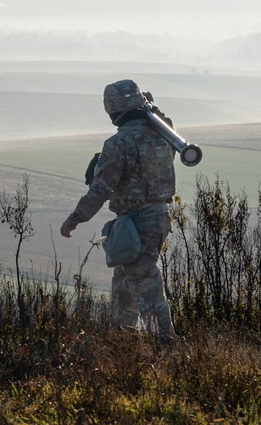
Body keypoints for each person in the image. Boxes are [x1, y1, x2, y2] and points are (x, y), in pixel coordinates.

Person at [60, 79, 176, 342]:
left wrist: (73, 220)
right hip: (156, 219)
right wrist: (154, 110)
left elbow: (100, 190)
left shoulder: (119, 143)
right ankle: (124, 342)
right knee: (124, 281)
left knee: (146, 286)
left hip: (137, 223)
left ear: (112, 110)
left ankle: (165, 347)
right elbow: (169, 134)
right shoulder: (162, 134)